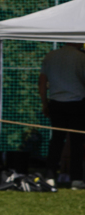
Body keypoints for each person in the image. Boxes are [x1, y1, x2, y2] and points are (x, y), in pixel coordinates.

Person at [39, 42, 85, 187]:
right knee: (77, 142)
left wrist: (45, 103)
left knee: (56, 141)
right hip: (77, 102)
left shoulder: (50, 56)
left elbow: (42, 81)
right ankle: (76, 179)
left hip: (56, 103)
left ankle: (50, 176)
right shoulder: (81, 57)